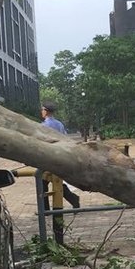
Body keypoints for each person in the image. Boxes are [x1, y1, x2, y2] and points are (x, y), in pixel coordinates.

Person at [38, 102, 80, 243]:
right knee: (55, 182)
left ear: (46, 111)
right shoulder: (60, 124)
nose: (41, 111)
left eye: (42, 110)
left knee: (43, 181)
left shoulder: (43, 126)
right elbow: (65, 138)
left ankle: (46, 208)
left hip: (47, 157)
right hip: (59, 156)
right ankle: (72, 198)